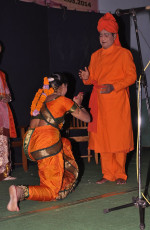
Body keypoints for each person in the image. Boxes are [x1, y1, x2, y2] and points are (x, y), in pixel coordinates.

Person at [7, 73, 91, 212]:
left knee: (65, 143)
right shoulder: (63, 100)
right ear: (63, 86)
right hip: (47, 145)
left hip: (31, 144)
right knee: (53, 192)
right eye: (67, 87)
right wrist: (78, 105)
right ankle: (20, 192)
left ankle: (53, 180)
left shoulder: (41, 100)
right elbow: (87, 118)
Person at [79, 12, 137, 185]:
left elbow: (131, 77)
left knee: (118, 139)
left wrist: (114, 86)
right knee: (103, 139)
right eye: (100, 35)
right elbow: (91, 80)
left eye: (106, 35)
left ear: (114, 36)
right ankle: (107, 174)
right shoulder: (95, 56)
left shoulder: (124, 54)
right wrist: (86, 76)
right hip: (100, 104)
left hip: (118, 102)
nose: (102, 38)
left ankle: (120, 174)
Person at [0, 43, 17, 181]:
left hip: (3, 112)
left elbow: (8, 94)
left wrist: (7, 97)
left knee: (3, 141)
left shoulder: (2, 74)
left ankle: (4, 173)